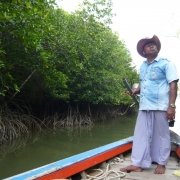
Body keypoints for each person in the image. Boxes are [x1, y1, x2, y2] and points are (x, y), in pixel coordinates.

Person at [120, 35, 179, 174]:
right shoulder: (143, 65)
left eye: (153, 44)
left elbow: (173, 85)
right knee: (140, 134)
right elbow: (144, 82)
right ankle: (138, 163)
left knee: (162, 135)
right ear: (143, 51)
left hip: (160, 106)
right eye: (148, 45)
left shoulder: (167, 63)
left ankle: (161, 163)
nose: (152, 46)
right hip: (144, 105)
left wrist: (172, 106)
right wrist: (135, 90)